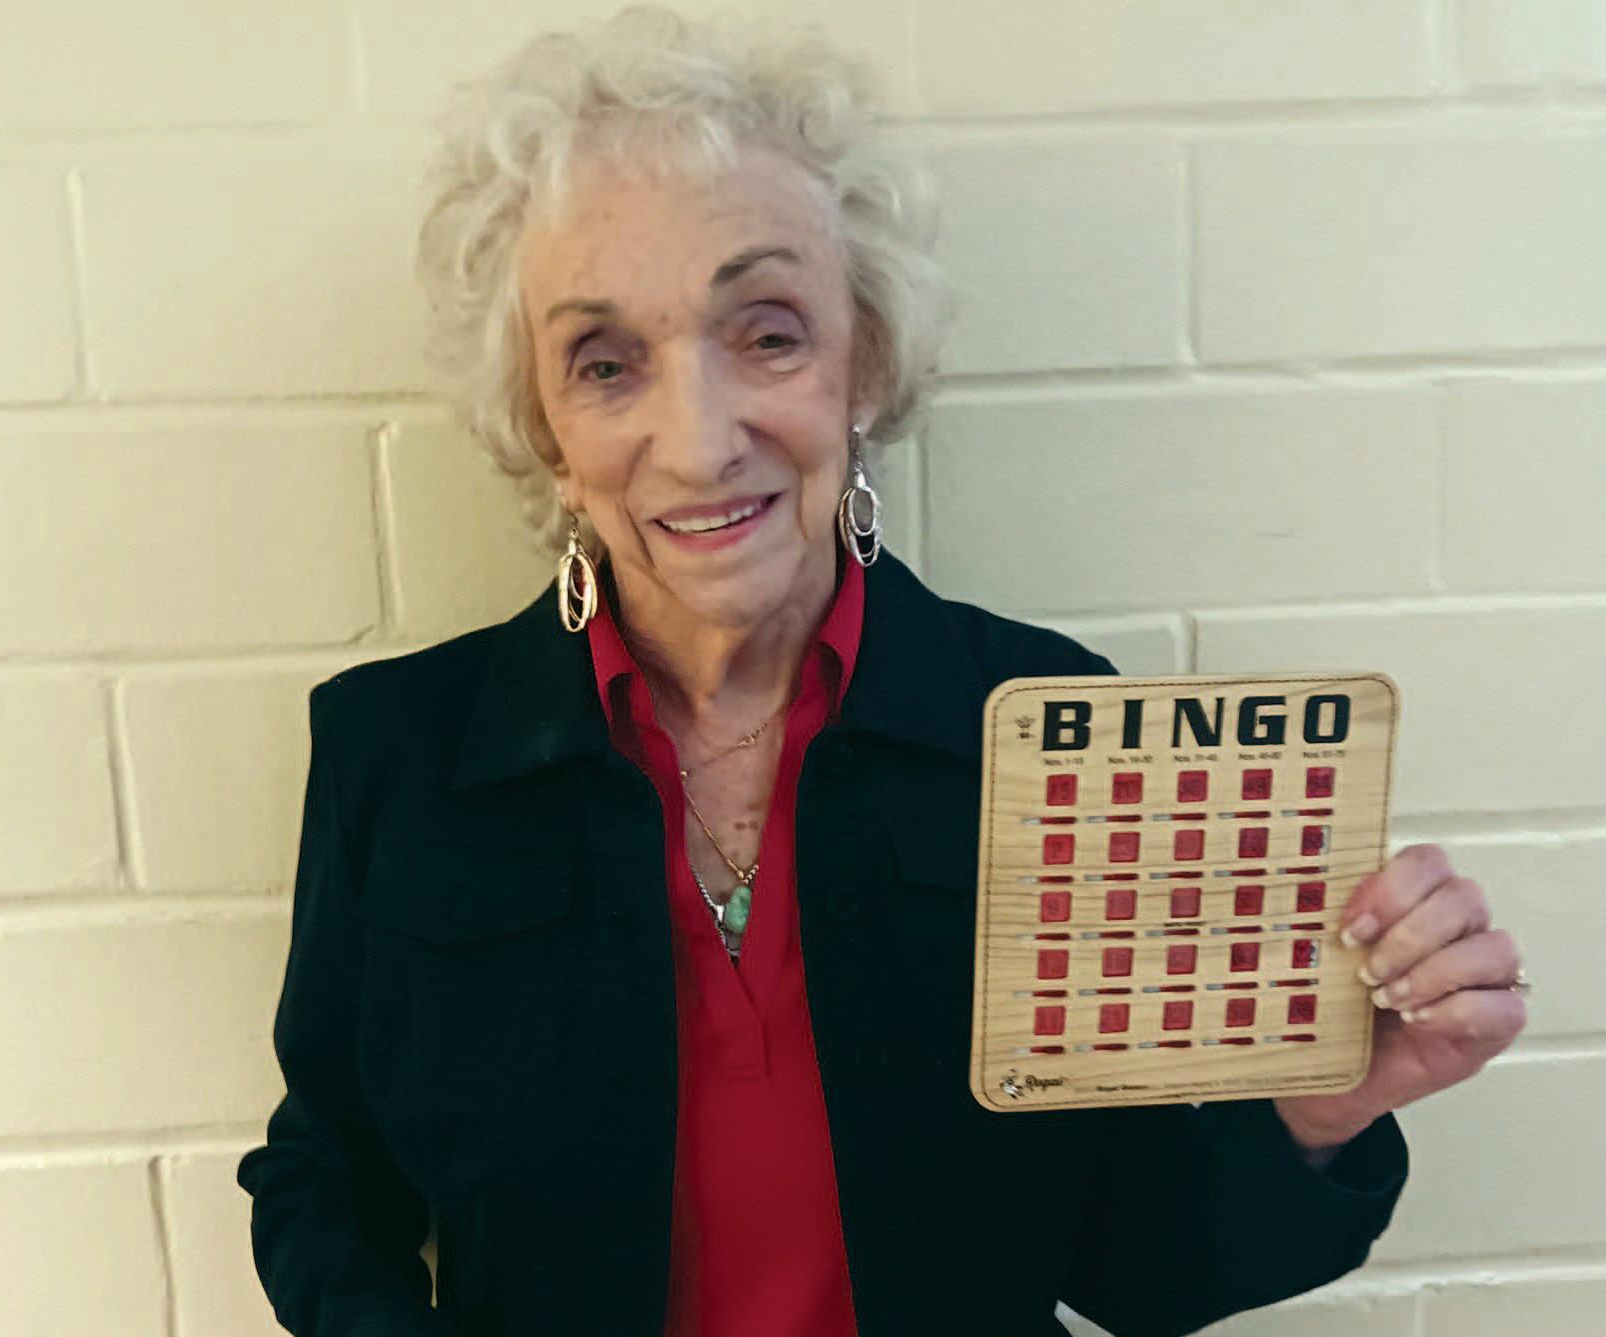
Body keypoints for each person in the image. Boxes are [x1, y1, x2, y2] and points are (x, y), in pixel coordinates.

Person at [235, 7, 1531, 1336]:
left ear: (866, 359)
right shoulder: (396, 756)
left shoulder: (1049, 732)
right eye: (606, 364)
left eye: (767, 334)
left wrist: (1321, 1104)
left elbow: (1140, 1267)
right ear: (546, 429)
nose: (698, 441)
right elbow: (323, 1181)